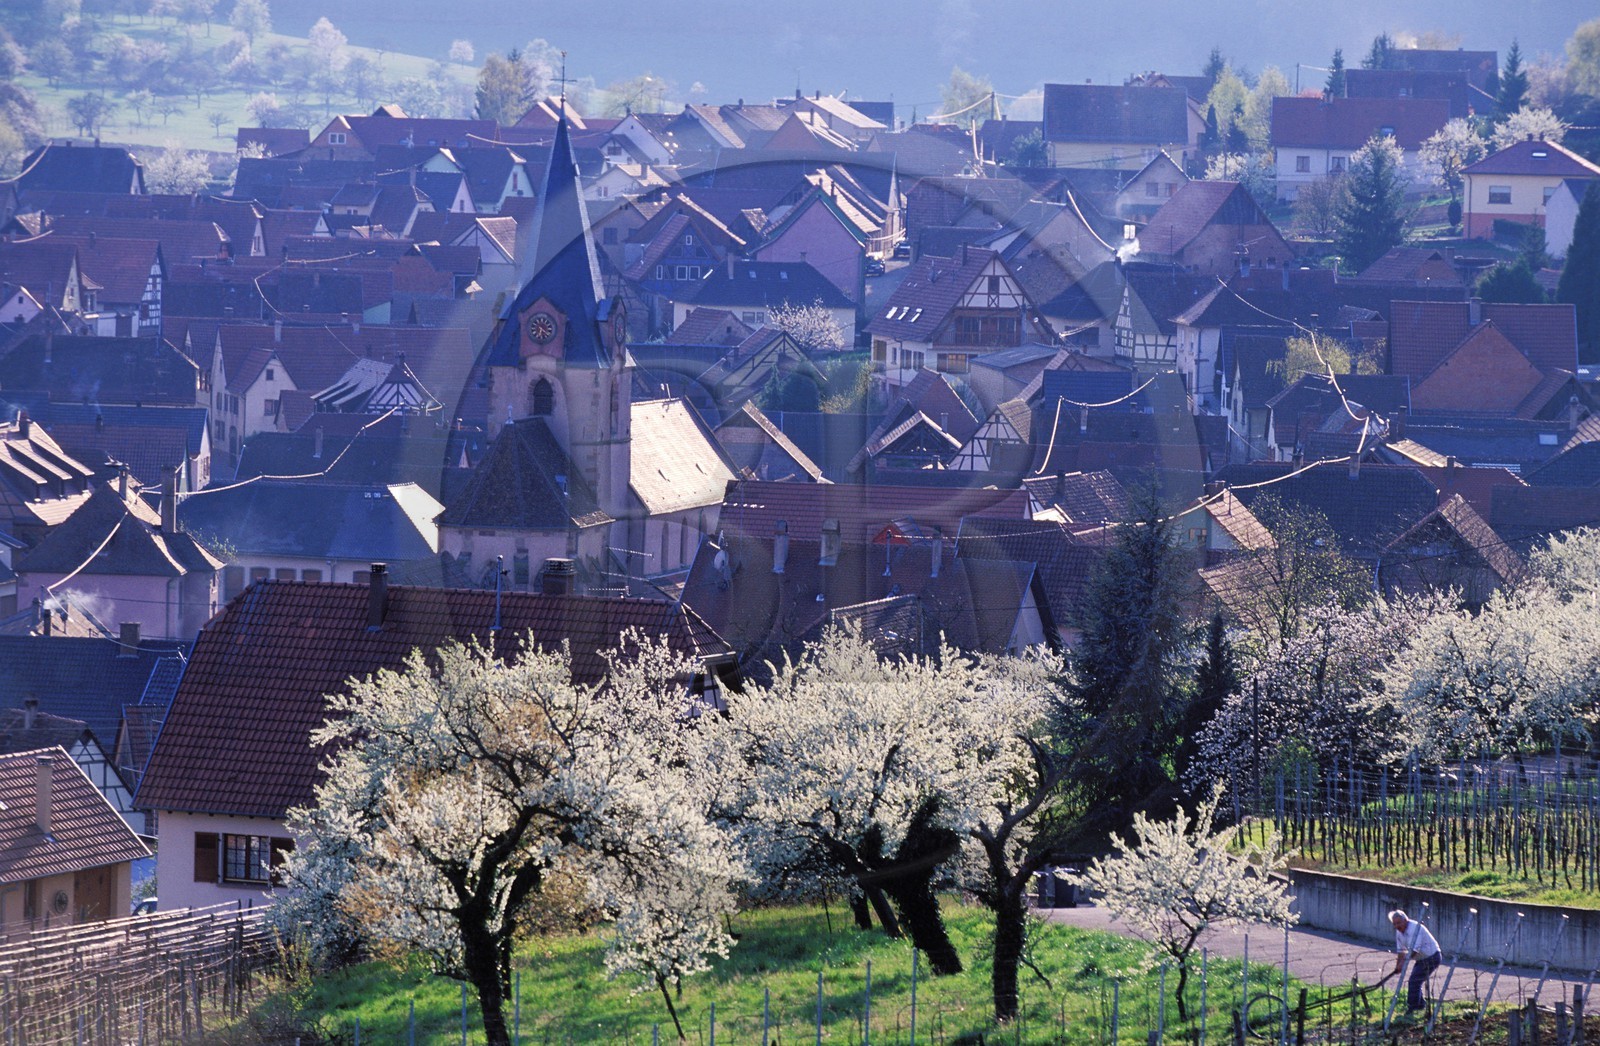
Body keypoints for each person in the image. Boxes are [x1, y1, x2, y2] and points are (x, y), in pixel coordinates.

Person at [1390, 909, 1441, 1012]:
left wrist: (1403, 963)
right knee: (1415, 981)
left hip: (1432, 957)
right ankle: (1419, 1005)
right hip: (1421, 959)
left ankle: (1413, 1007)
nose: (1396, 926)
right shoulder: (1399, 932)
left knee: (1414, 981)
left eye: (1398, 923)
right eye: (1394, 924)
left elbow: (1414, 950)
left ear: (1406, 920)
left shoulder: (1415, 929)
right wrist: (1398, 966)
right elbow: (1401, 951)